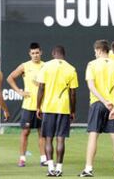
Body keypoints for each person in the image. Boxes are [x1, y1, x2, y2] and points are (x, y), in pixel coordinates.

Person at [78, 40, 114, 177]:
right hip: (113, 105)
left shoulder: (92, 64)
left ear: (98, 50)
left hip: (98, 104)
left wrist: (104, 102)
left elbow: (91, 87)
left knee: (93, 136)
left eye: (95, 51)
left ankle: (88, 169)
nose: (95, 53)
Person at [36, 46, 78, 177]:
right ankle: (59, 168)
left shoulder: (46, 66)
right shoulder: (71, 68)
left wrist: (38, 106)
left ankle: (50, 168)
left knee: (48, 139)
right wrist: (72, 110)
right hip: (63, 108)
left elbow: (41, 88)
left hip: (48, 107)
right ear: (64, 55)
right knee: (61, 139)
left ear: (53, 54)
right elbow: (73, 93)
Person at [6, 42, 47, 167]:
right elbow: (10, 78)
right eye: (33, 53)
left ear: (41, 52)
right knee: (25, 132)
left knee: (42, 133)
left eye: (37, 53)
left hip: (43, 106)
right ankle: (22, 158)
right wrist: (19, 91)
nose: (35, 55)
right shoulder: (25, 66)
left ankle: (43, 158)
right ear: (30, 54)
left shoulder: (46, 66)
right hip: (28, 106)